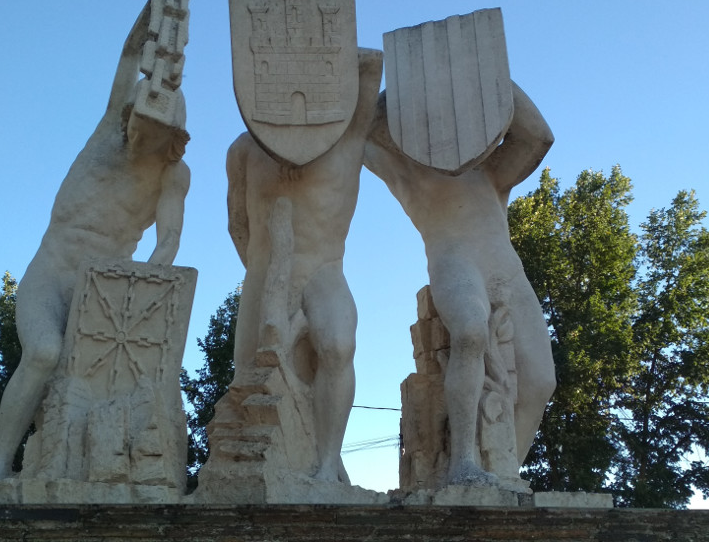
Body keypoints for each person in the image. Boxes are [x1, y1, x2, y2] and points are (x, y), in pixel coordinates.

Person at [0, 0, 190, 487]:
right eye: (133, 119)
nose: (134, 130)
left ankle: (79, 469)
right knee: (44, 353)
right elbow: (131, 55)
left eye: (146, 128)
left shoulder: (173, 175)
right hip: (51, 272)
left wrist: (141, 295)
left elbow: (168, 241)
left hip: (103, 294)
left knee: (93, 392)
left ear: (169, 136)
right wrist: (160, 3)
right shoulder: (109, 132)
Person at [364, 82, 556, 487]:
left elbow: (538, 136)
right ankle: (462, 464)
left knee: (541, 381)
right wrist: (403, 94)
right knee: (470, 331)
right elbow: (360, 130)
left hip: (508, 272)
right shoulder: (405, 168)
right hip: (454, 261)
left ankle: (504, 471)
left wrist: (492, 74)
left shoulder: (490, 172)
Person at [224, 49, 383, 482]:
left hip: (324, 269)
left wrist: (316, 56)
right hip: (262, 276)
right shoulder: (243, 149)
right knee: (249, 380)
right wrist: (262, 272)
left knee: (338, 344)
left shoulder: (348, 138)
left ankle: (328, 462)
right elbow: (237, 222)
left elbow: (371, 66)